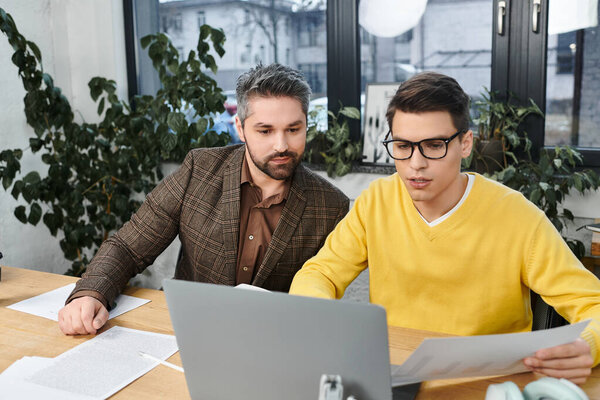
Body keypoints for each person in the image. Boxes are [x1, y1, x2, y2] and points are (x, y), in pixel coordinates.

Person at [289, 72, 600, 384]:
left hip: (485, 385)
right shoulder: (376, 201)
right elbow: (320, 273)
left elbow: (592, 305)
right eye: (402, 146)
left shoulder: (518, 216)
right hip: (396, 379)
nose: (415, 164)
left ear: (465, 144)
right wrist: (317, 313)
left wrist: (586, 344)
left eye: (434, 145)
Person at [59, 63, 349, 336]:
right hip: (189, 331)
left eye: (293, 129)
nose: (282, 145)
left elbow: (320, 298)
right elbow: (128, 247)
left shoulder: (331, 206)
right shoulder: (200, 170)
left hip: (273, 341)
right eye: (265, 131)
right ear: (240, 128)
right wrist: (90, 293)